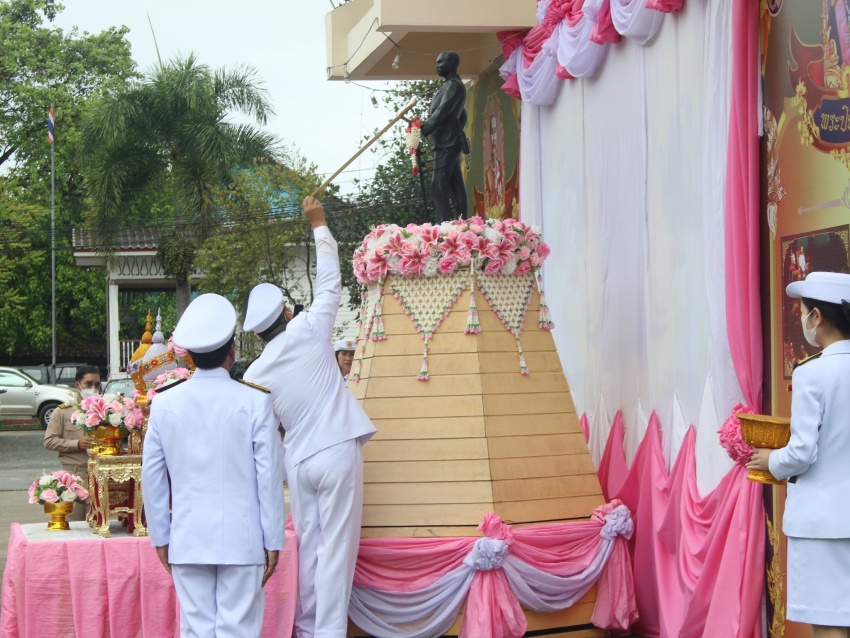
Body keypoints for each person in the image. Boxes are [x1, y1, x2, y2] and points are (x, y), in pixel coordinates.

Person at [243, 196, 376, 638]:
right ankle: (328, 633)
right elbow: (329, 282)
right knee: (336, 550)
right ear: (286, 312)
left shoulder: (255, 372)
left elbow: (262, 435)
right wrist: (319, 225)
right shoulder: (309, 328)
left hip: (298, 462)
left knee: (311, 548)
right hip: (335, 449)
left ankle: (304, 629)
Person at [142, 293, 284, 638]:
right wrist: (273, 539)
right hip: (243, 538)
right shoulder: (255, 400)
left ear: (188, 355)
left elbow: (153, 479)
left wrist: (161, 536)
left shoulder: (164, 403)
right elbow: (268, 478)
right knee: (240, 630)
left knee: (196, 630)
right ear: (232, 350)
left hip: (188, 538)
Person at [747, 271, 850, 638]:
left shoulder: (812, 372)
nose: (803, 318)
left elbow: (803, 451)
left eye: (804, 311)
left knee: (829, 623)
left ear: (817, 317)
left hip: (822, 523)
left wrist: (770, 460)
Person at [43, 365, 99, 521]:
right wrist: (77, 444)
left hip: (100, 475)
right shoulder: (63, 411)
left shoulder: (106, 412)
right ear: (77, 385)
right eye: (88, 383)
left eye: (97, 384)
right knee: (75, 524)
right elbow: (49, 441)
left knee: (100, 524)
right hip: (74, 476)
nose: (93, 388)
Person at [421, 51, 468, 223]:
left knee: (439, 184)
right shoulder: (448, 86)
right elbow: (463, 115)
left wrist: (422, 130)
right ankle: (461, 221)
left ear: (452, 63)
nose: (437, 65)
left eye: (441, 62)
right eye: (436, 62)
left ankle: (443, 224)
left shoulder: (454, 86)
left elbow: (442, 112)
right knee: (455, 183)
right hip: (445, 141)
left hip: (448, 142)